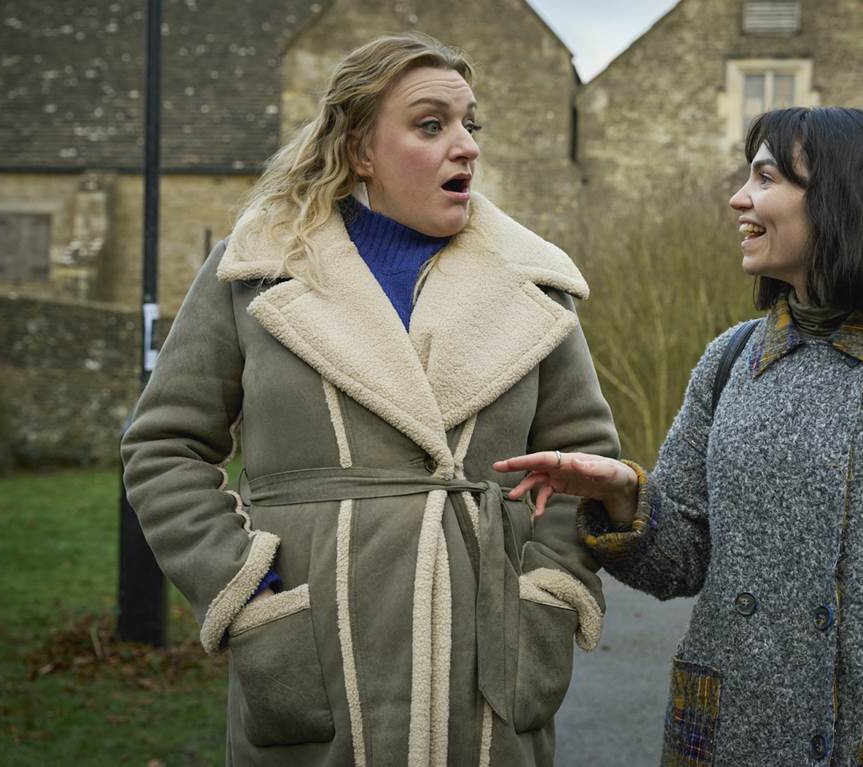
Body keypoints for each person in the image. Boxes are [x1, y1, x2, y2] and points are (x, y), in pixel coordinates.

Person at [494, 107, 863, 766]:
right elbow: (682, 559)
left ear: (842, 198)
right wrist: (625, 496)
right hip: (722, 741)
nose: (739, 198)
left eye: (766, 178)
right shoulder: (729, 358)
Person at [121, 33, 617, 767]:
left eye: (469, 124)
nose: (466, 146)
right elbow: (164, 446)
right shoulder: (257, 271)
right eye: (431, 125)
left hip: (489, 672)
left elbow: (586, 463)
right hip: (314, 659)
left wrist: (548, 596)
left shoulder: (534, 285)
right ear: (359, 149)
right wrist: (246, 589)